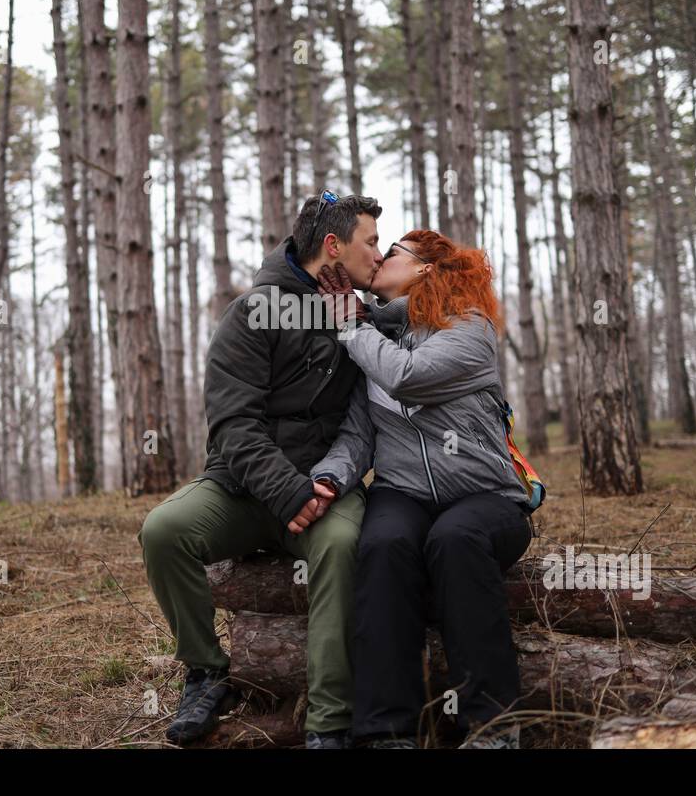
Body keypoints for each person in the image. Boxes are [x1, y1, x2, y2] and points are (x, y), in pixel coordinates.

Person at [139, 192, 384, 749]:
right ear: (333, 246)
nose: (377, 253)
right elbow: (233, 424)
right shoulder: (253, 312)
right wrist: (287, 492)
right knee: (163, 530)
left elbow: (361, 419)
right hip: (246, 487)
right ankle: (205, 674)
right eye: (369, 242)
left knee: (343, 545)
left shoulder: (361, 314)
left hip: (328, 487)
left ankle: (328, 721)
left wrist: (323, 485)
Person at [309, 229, 546, 749]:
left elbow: (409, 377)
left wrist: (351, 324)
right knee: (384, 544)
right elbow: (357, 435)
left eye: (390, 251)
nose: (378, 257)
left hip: (486, 496)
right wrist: (327, 477)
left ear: (421, 269)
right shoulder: (373, 340)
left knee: (454, 539)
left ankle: (491, 726)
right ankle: (386, 731)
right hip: (404, 491)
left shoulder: (469, 328)